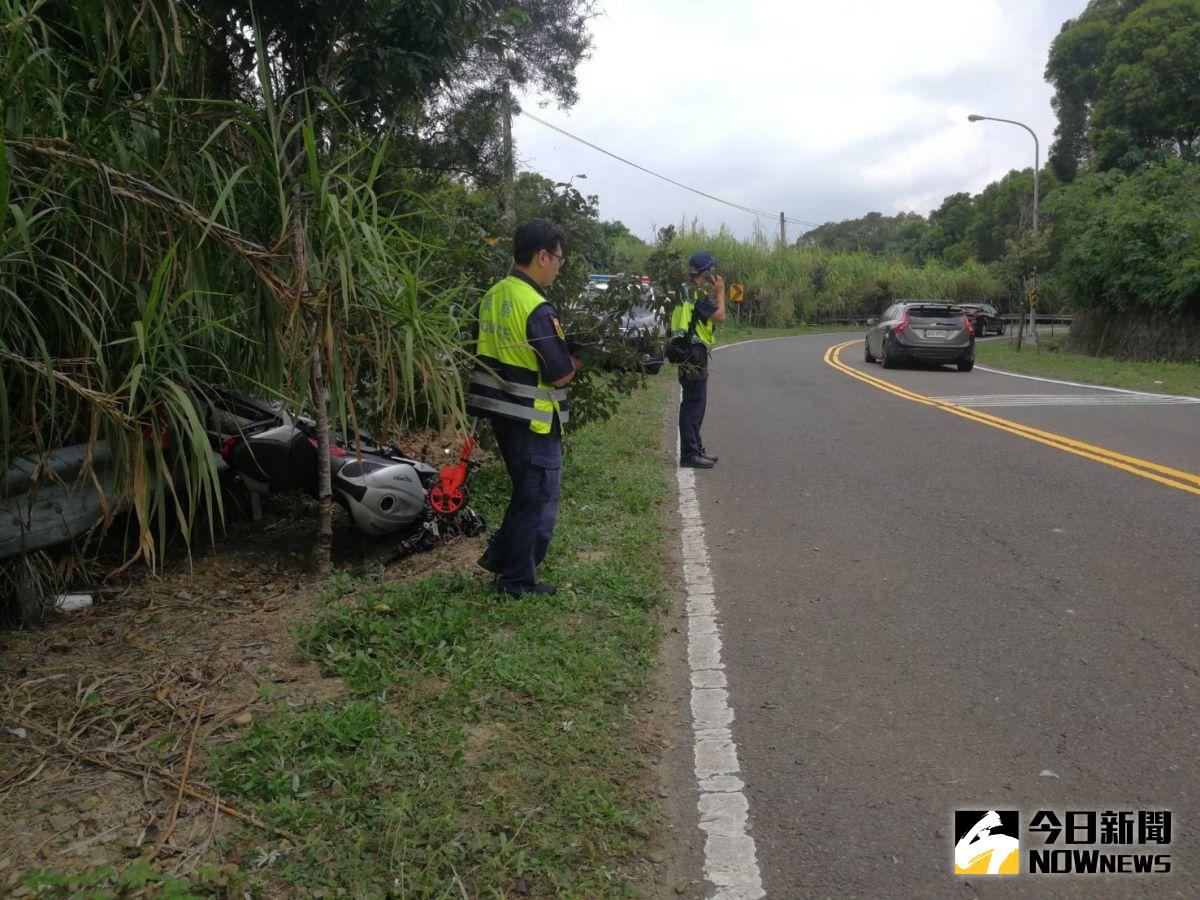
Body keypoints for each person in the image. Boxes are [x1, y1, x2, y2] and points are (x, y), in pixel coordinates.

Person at [467, 219, 580, 597]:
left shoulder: (493, 295)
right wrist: (579, 359)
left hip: (503, 416)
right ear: (542, 256)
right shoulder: (536, 306)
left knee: (524, 494)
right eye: (559, 259)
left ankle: (502, 559)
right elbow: (560, 375)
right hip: (534, 422)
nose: (558, 267)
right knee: (537, 502)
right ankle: (516, 582)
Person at [670, 251, 726, 468]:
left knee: (694, 402)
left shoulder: (683, 291)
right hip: (694, 351)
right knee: (694, 404)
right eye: (712, 270)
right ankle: (690, 454)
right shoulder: (697, 294)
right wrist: (720, 292)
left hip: (684, 349)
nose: (715, 274)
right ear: (706, 272)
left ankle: (696, 448)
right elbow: (720, 316)